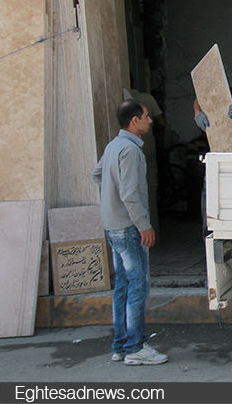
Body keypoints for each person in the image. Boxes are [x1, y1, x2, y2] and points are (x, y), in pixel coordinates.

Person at [92, 99, 168, 366]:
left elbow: (98, 174)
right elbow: (130, 194)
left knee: (123, 287)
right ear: (135, 121)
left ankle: (121, 346)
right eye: (146, 116)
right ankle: (135, 348)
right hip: (129, 228)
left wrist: (111, 199)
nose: (150, 120)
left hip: (114, 226)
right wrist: (144, 225)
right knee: (138, 287)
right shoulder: (131, 150)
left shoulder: (114, 146)